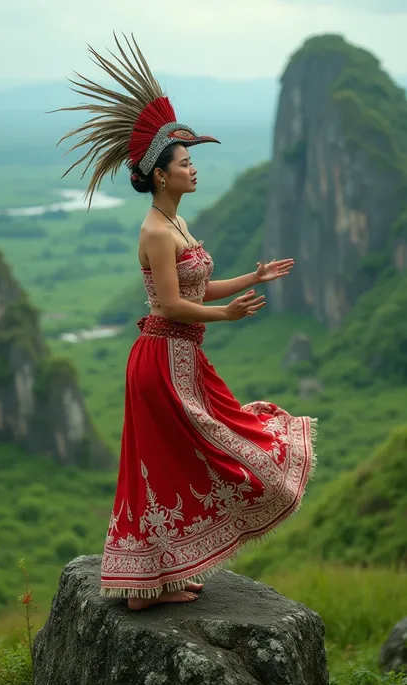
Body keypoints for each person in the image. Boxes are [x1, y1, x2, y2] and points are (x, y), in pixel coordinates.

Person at [57, 33, 317, 611]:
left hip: (183, 360)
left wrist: (252, 279)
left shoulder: (175, 225)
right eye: (185, 162)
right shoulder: (154, 230)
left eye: (192, 160)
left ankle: (165, 576)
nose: (193, 169)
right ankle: (145, 588)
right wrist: (224, 314)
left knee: (176, 466)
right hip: (161, 361)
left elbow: (194, 287)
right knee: (172, 463)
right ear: (160, 174)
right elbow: (171, 306)